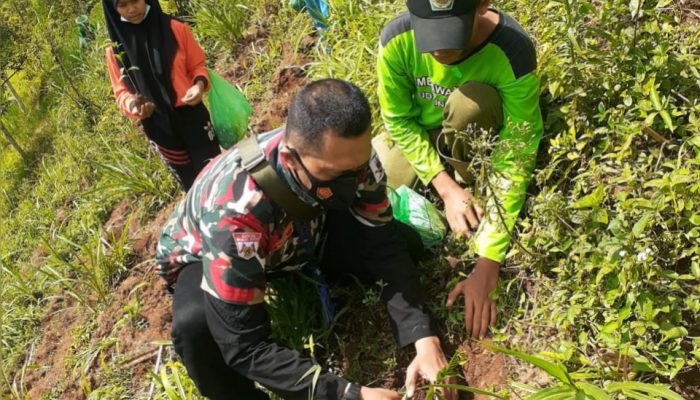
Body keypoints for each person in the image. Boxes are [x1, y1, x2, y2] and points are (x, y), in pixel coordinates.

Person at [156, 79, 456, 400]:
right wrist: (348, 394)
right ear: (290, 160)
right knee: (197, 327)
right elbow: (244, 345)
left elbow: (383, 245)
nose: (352, 181)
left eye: (357, 167)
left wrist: (424, 339)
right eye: (333, 174)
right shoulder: (236, 215)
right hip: (210, 254)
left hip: (302, 228)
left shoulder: (353, 161)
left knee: (404, 244)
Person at [376, 0, 543, 339]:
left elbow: (518, 151)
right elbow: (397, 118)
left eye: (451, 32)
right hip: (425, 134)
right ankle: (451, 188)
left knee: (469, 105)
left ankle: (471, 182)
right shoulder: (396, 38)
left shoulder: (511, 50)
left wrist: (488, 260)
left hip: (475, 131)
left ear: (482, 4)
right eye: (429, 33)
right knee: (377, 178)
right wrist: (445, 188)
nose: (438, 48)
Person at [103, 0, 221, 191]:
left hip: (192, 117)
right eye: (123, 5)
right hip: (158, 128)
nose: (132, 9)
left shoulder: (175, 28)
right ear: (113, 9)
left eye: (135, 1)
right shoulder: (115, 51)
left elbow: (197, 66)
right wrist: (134, 106)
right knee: (192, 187)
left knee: (217, 174)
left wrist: (198, 86)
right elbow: (121, 92)